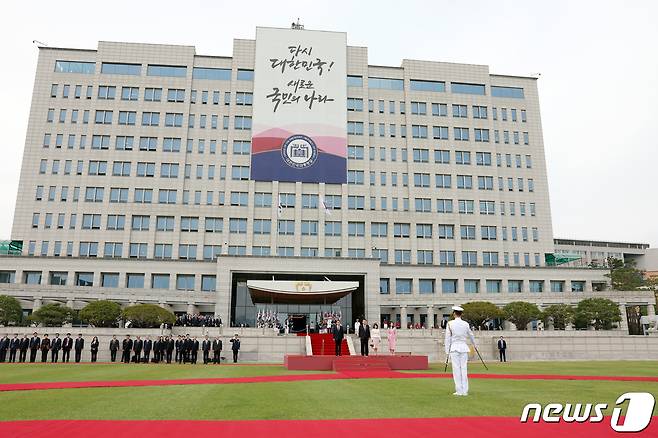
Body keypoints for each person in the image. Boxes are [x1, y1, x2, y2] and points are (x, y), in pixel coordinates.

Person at [444, 305, 476, 396]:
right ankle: (464, 390)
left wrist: (447, 351)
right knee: (464, 369)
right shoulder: (465, 324)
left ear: (454, 313)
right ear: (461, 314)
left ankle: (459, 390)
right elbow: (471, 335)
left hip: (454, 348)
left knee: (456, 369)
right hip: (463, 347)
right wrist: (474, 345)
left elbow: (447, 338)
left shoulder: (450, 323)